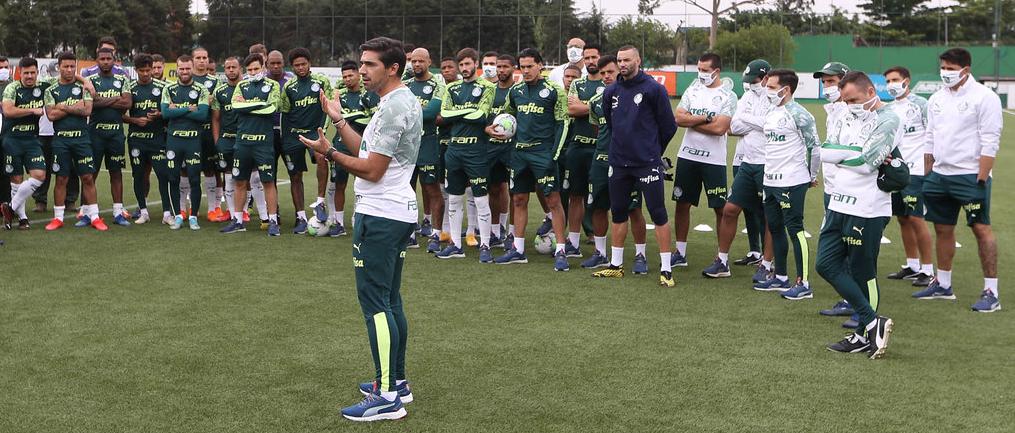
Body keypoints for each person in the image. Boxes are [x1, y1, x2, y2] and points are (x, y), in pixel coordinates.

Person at [300, 36, 421, 422]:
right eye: (362, 64)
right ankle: (397, 383)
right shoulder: (398, 101)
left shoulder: (392, 106)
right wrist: (338, 121)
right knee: (391, 299)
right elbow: (369, 153)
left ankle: (386, 396)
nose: (362, 70)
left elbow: (371, 169)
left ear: (392, 68)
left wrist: (329, 153)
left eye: (370, 65)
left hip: (382, 215)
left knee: (376, 305)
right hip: (395, 210)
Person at [817, 71, 900, 358]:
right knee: (825, 264)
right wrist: (849, 154)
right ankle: (872, 322)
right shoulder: (843, 115)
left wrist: (846, 155)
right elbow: (826, 151)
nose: (848, 103)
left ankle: (863, 334)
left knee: (863, 272)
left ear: (869, 92)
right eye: (845, 99)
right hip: (838, 201)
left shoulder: (889, 119)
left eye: (853, 99)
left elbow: (867, 162)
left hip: (868, 207)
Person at [915, 48, 1003, 313]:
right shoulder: (937, 98)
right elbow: (930, 136)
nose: (945, 73)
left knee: (980, 228)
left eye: (951, 68)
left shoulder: (985, 97)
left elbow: (991, 139)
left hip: (970, 176)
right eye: (943, 67)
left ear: (966, 69)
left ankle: (991, 291)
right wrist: (928, 172)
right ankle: (943, 285)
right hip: (939, 176)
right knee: (942, 229)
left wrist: (981, 177)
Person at [590, 46, 677, 286]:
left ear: (638, 60)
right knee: (618, 213)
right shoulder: (612, 91)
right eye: (620, 60)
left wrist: (652, 151)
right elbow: (611, 122)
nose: (623, 64)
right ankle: (616, 265)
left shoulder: (654, 89)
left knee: (658, 213)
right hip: (618, 162)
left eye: (627, 59)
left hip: (646, 163)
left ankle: (667, 269)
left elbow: (669, 126)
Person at [491, 48, 570, 271]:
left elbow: (563, 124)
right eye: (522, 67)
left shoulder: (554, 90)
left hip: (543, 153)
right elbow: (507, 116)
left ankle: (561, 250)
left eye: (529, 66)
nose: (525, 71)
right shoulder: (515, 91)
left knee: (553, 201)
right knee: (519, 200)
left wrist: (553, 156)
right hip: (519, 154)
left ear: (540, 66)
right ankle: (518, 250)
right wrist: (494, 128)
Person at [750, 69, 819, 301]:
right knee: (775, 228)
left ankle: (804, 283)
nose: (766, 91)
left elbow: (814, 148)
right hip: (769, 181)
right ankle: (780, 277)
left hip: (792, 181)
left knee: (795, 230)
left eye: (771, 87)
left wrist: (811, 176)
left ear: (786, 89)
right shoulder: (772, 112)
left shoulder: (800, 114)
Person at [706, 59, 774, 282]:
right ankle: (722, 261)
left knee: (769, 215)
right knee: (730, 209)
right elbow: (734, 126)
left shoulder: (774, 96)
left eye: (753, 80)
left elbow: (770, 125)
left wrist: (750, 121)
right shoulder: (746, 97)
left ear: (765, 78)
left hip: (770, 163)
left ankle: (766, 264)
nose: (750, 84)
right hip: (747, 162)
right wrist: (756, 123)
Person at [580, 55, 650, 273]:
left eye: (610, 72)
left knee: (633, 209)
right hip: (601, 160)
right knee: (598, 207)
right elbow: (599, 128)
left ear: (619, 70)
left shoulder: (633, 96)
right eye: (602, 74)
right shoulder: (597, 101)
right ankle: (600, 253)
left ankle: (640, 255)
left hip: (629, 162)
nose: (606, 76)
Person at [671, 53, 736, 267]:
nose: (701, 74)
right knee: (682, 204)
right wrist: (706, 118)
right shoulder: (693, 89)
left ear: (716, 71)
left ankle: (722, 258)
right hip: (687, 156)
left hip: (714, 161)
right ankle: (680, 253)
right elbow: (678, 118)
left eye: (705, 71)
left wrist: (692, 121)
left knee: (720, 208)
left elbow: (720, 129)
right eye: (699, 69)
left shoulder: (729, 96)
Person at [436, 47, 496, 261]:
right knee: (453, 199)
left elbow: (482, 115)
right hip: (454, 150)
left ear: (476, 64)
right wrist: (467, 112)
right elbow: (444, 114)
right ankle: (455, 244)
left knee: (480, 200)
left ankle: (486, 246)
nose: (464, 68)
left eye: (468, 64)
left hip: (476, 150)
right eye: (461, 65)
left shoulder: (487, 87)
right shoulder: (452, 88)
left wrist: (457, 114)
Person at [882, 66, 935, 287]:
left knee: (916, 218)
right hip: (897, 171)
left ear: (907, 80)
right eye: (887, 81)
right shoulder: (889, 108)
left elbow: (933, 135)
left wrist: (929, 170)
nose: (891, 84)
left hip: (917, 173)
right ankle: (912, 266)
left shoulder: (921, 104)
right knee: (902, 218)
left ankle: (928, 270)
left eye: (895, 79)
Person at [813, 61, 857, 323]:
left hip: (847, 188)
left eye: (832, 81)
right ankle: (850, 299)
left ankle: (857, 303)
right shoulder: (833, 110)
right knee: (839, 246)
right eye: (825, 82)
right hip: (832, 187)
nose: (827, 86)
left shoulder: (850, 111)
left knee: (850, 247)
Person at [42, 51, 105, 231]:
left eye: (72, 66)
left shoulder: (83, 87)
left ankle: (94, 216)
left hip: (82, 140)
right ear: (59, 67)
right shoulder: (50, 90)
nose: (69, 70)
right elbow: (52, 115)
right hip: (61, 140)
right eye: (66, 66)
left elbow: (87, 110)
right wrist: (73, 107)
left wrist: (63, 106)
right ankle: (58, 218)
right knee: (61, 178)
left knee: (87, 177)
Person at [220, 54, 282, 236]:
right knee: (239, 181)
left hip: (263, 144)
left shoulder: (273, 85)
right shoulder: (241, 85)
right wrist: (259, 105)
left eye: (256, 68)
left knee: (268, 182)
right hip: (242, 143)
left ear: (263, 67)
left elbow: (272, 108)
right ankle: (238, 220)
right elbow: (236, 106)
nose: (253, 72)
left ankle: (273, 221)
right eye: (250, 70)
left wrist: (248, 104)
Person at [279, 47, 332, 234]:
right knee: (295, 175)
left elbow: (330, 108)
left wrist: (322, 133)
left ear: (310, 63)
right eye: (297, 65)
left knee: (321, 159)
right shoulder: (289, 87)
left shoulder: (322, 81)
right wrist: (285, 139)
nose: (301, 68)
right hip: (294, 135)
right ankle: (300, 217)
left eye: (304, 64)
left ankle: (319, 202)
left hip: (315, 133)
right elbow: (284, 114)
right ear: (292, 67)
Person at [325, 60, 379, 237]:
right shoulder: (339, 96)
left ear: (358, 74)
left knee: (361, 184)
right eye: (344, 76)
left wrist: (345, 115)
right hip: (340, 145)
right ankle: (338, 223)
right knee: (338, 183)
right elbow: (332, 116)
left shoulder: (368, 95)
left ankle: (359, 219)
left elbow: (369, 120)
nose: (348, 79)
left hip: (361, 146)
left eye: (350, 75)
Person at [561, 44, 604, 259]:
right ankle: (574, 243)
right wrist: (596, 106)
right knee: (575, 195)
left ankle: (600, 248)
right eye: (587, 58)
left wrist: (584, 106)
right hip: (577, 146)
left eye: (594, 57)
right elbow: (572, 109)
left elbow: (583, 108)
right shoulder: (578, 83)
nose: (590, 61)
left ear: (600, 57)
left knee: (597, 198)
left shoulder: (608, 83)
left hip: (599, 147)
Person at [160, 55, 209, 230]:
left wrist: (177, 109)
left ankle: (193, 216)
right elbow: (165, 114)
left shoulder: (201, 89)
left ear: (192, 68)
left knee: (195, 179)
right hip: (174, 140)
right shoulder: (169, 89)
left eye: (188, 68)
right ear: (177, 69)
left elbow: (203, 115)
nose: (185, 71)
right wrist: (189, 108)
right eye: (182, 68)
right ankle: (179, 215)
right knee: (173, 178)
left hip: (193, 140)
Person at [0, 57, 50, 230]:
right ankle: (22, 218)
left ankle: (10, 208)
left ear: (37, 72)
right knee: (16, 179)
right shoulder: (12, 88)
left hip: (31, 140)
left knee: (40, 175)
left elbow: (66, 80)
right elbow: (8, 111)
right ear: (19, 72)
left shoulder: (43, 86)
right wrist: (32, 110)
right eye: (26, 73)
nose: (29, 76)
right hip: (11, 139)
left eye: (32, 72)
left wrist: (85, 82)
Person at [87, 47, 133, 226]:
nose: (105, 61)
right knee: (91, 174)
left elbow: (127, 102)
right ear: (97, 60)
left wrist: (102, 101)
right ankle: (88, 213)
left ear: (114, 60)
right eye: (102, 59)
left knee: (116, 172)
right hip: (95, 134)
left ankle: (118, 212)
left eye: (109, 58)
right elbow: (92, 105)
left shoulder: (123, 79)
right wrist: (115, 99)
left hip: (115, 134)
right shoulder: (90, 81)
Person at [404, 47, 445, 248]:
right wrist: (419, 109)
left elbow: (430, 113)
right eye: (413, 61)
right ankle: (409, 232)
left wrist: (410, 110)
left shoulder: (437, 83)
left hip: (428, 142)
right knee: (406, 189)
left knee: (432, 189)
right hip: (406, 145)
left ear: (429, 62)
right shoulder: (406, 84)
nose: (417, 64)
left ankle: (436, 235)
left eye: (421, 61)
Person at [122, 53, 169, 225]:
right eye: (142, 70)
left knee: (163, 175)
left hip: (157, 139)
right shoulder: (129, 88)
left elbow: (170, 111)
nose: (146, 73)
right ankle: (143, 211)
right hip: (136, 140)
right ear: (136, 71)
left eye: (148, 70)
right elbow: (120, 115)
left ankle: (167, 213)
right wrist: (135, 120)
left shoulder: (163, 87)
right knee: (139, 176)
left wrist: (159, 115)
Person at [482, 54, 518, 253]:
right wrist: (487, 128)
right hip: (492, 146)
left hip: (512, 147)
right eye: (499, 67)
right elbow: (483, 116)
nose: (501, 70)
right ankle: (496, 231)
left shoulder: (518, 91)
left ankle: (512, 232)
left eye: (505, 67)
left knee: (515, 191)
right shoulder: (490, 91)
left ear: (513, 68)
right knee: (494, 187)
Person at [192, 47, 227, 223]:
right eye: (198, 57)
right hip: (189, 134)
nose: (202, 60)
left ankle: (214, 208)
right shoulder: (186, 81)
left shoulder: (216, 82)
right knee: (188, 170)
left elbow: (217, 111)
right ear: (192, 61)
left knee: (212, 170)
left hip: (208, 132)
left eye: (204, 57)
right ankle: (191, 207)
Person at [212, 56, 246, 223]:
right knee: (229, 176)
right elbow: (216, 118)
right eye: (228, 68)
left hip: (246, 139)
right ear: (224, 70)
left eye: (234, 67)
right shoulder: (219, 91)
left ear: (240, 69)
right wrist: (217, 140)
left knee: (250, 177)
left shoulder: (248, 89)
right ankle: (232, 212)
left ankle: (244, 210)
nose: (231, 70)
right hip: (226, 140)